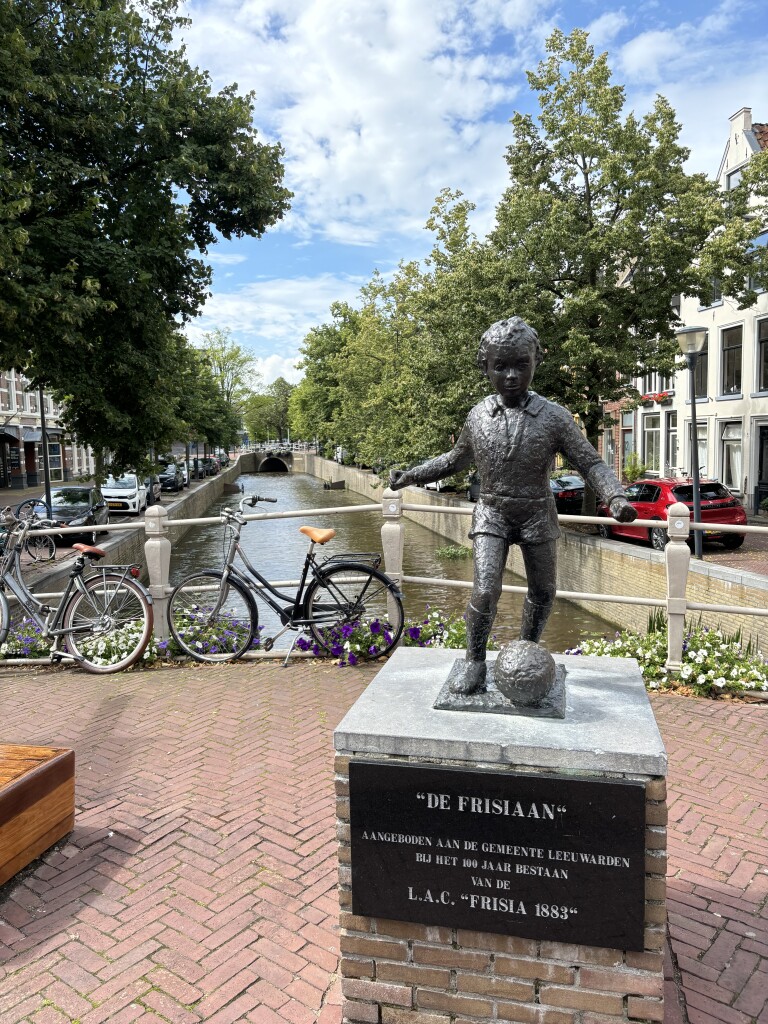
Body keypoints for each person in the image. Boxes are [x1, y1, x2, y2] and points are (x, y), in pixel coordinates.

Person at [390, 316, 637, 695]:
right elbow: (453, 460)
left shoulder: (554, 417)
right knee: (485, 590)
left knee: (544, 591)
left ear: (536, 361)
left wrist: (615, 496)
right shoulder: (478, 416)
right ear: (485, 367)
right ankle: (474, 660)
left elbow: (591, 462)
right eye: (500, 366)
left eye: (521, 365)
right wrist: (410, 475)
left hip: (536, 512)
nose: (510, 376)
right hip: (493, 512)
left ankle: (526, 652)